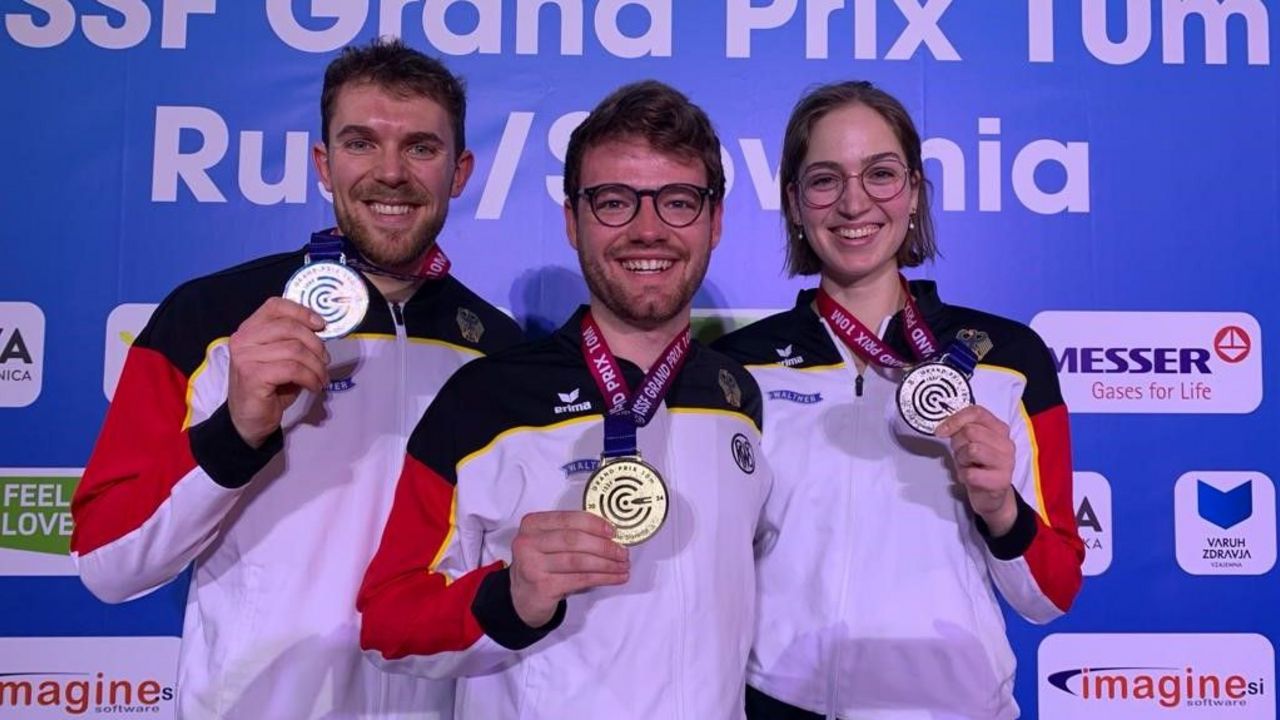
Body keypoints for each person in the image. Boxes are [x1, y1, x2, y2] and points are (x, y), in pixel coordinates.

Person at [69, 38, 522, 719]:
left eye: (421, 148)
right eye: (361, 143)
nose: (391, 173)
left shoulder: (500, 353)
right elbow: (107, 564)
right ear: (323, 162)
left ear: (459, 171)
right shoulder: (212, 317)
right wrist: (235, 433)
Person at [357, 80, 772, 719]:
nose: (647, 230)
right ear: (571, 221)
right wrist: (511, 597)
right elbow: (387, 622)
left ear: (715, 222)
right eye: (613, 202)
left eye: (679, 202)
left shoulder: (738, 395)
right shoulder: (484, 398)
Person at [712, 81, 1084, 719]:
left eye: (880, 174)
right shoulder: (734, 369)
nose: (854, 202)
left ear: (913, 192)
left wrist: (1000, 507)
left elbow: (1051, 593)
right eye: (824, 179)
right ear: (795, 205)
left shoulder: (1008, 360)